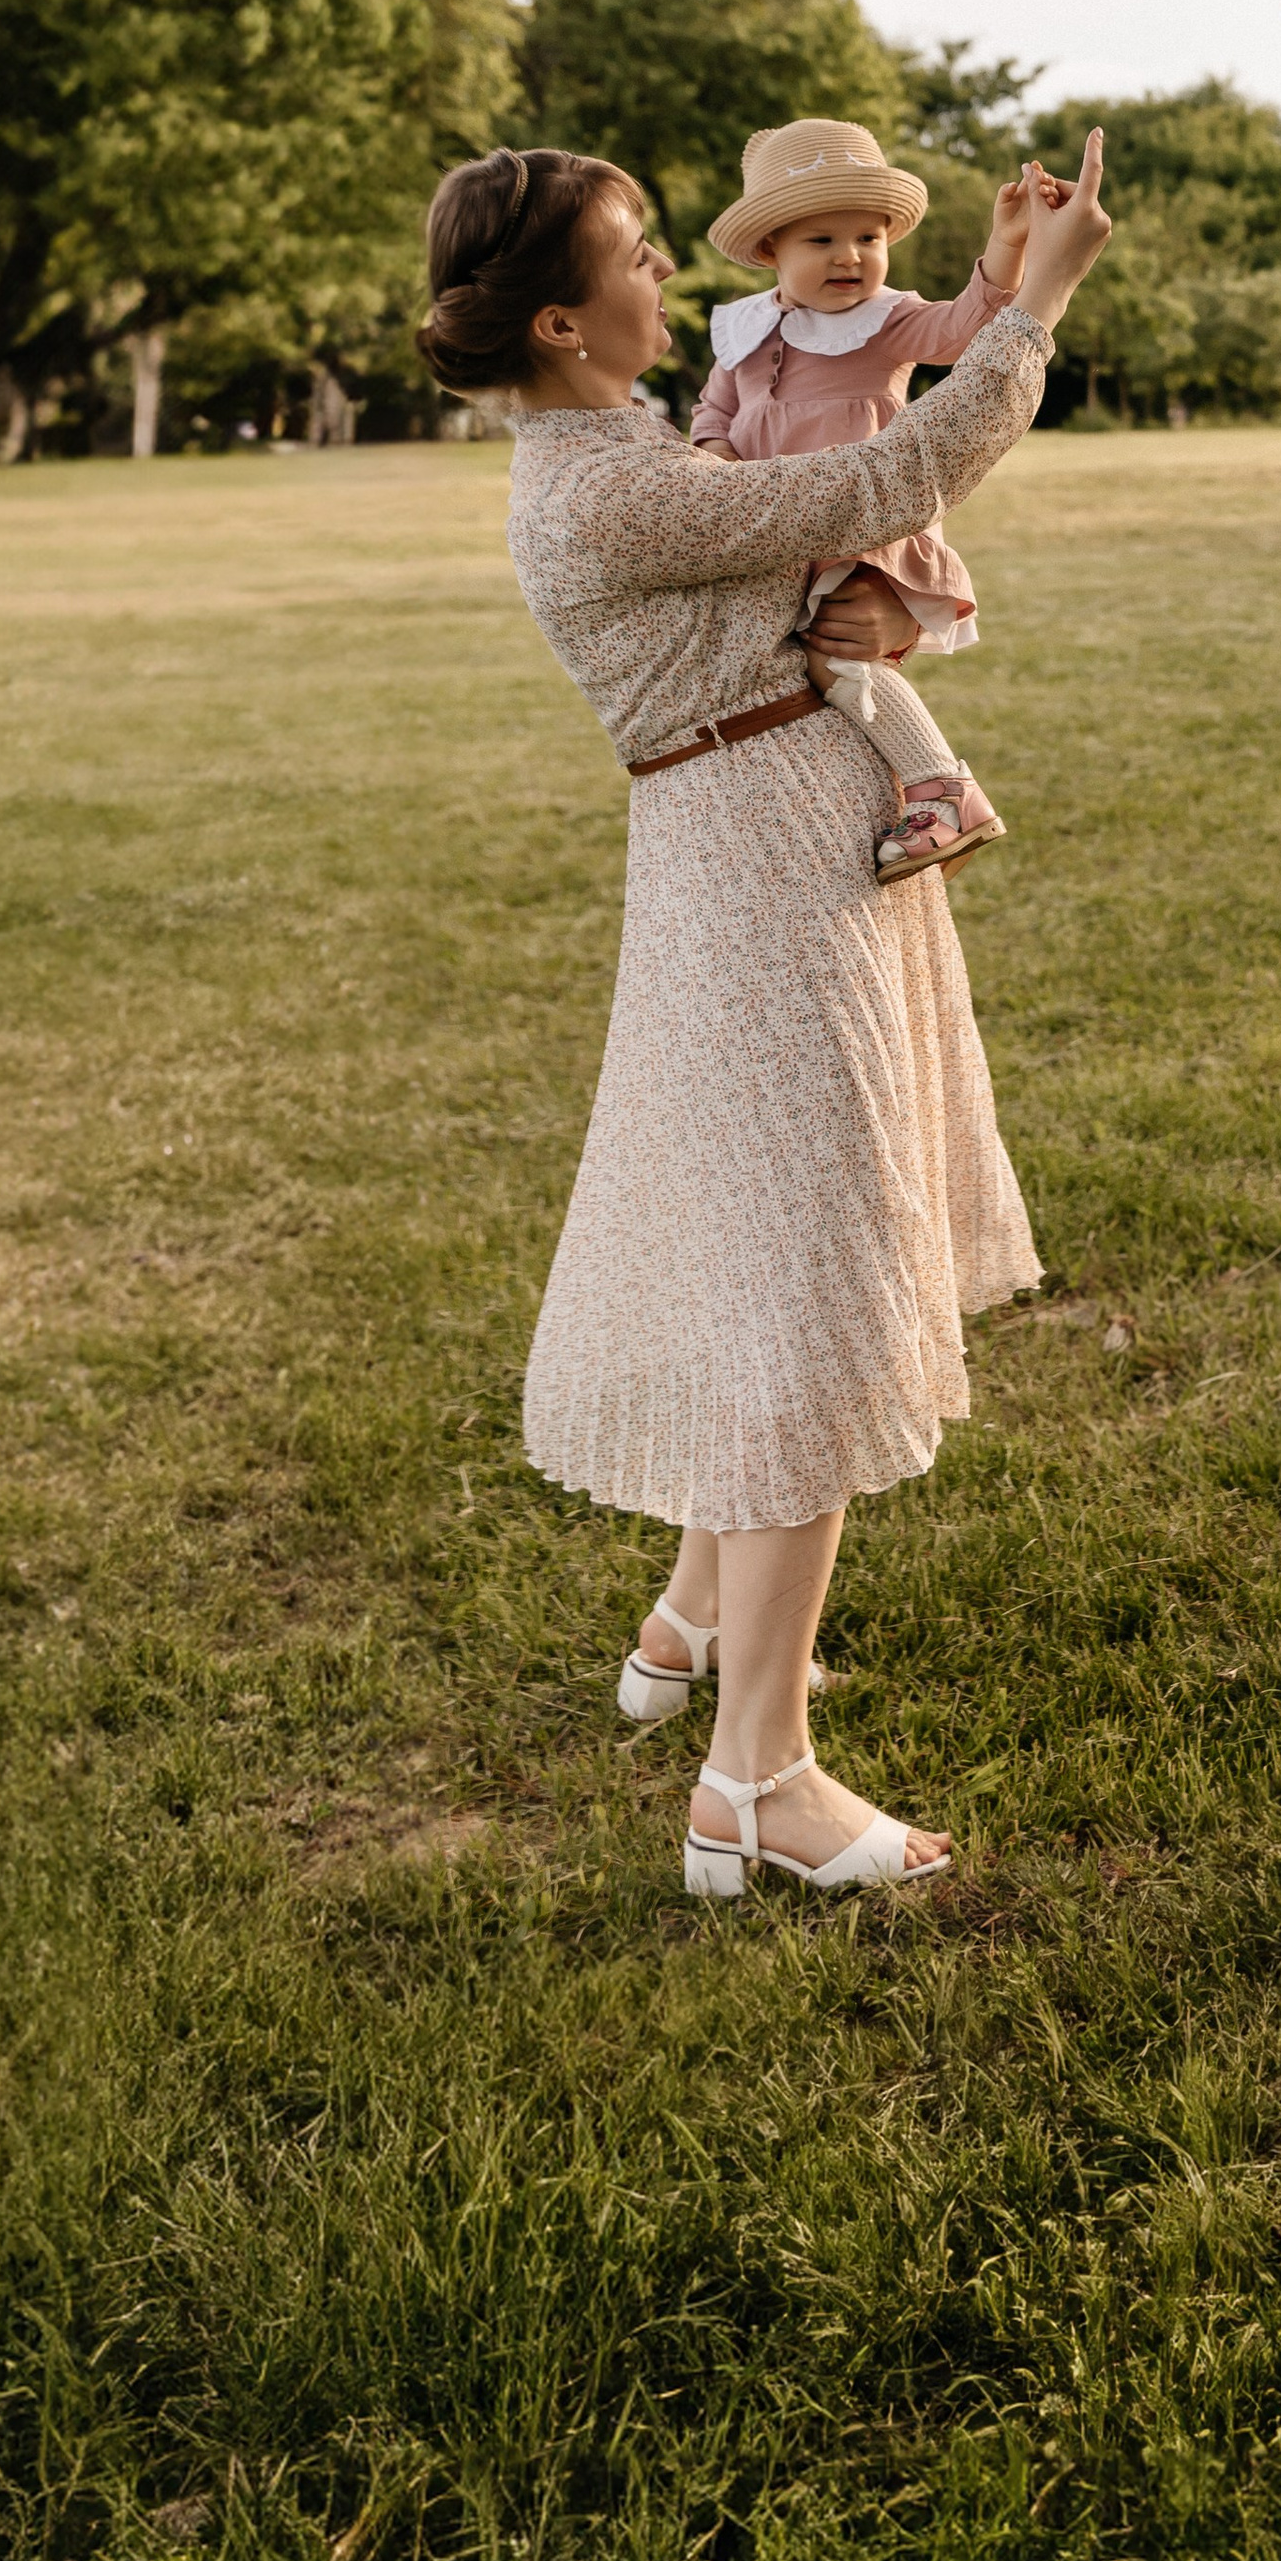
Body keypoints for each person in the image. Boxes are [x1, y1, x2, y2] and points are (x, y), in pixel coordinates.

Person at [416, 135, 1111, 1898]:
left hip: (779, 853)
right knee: (806, 1305)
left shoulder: (635, 447)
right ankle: (758, 1781)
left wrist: (878, 610)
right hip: (762, 893)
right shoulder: (607, 491)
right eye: (637, 252)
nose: (667, 275)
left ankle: (691, 1626)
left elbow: (827, 540)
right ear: (562, 321)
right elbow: (906, 461)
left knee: (776, 1273)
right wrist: (1032, 306)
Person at [688, 117, 1038, 886]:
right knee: (791, 669)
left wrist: (1007, 246)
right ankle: (856, 805)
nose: (850, 256)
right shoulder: (746, 328)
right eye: (822, 240)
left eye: (868, 237)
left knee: (837, 651)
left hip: (859, 521)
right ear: (770, 248)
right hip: (770, 527)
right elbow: (714, 412)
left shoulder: (888, 321)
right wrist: (718, 459)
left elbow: (969, 328)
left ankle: (943, 791)